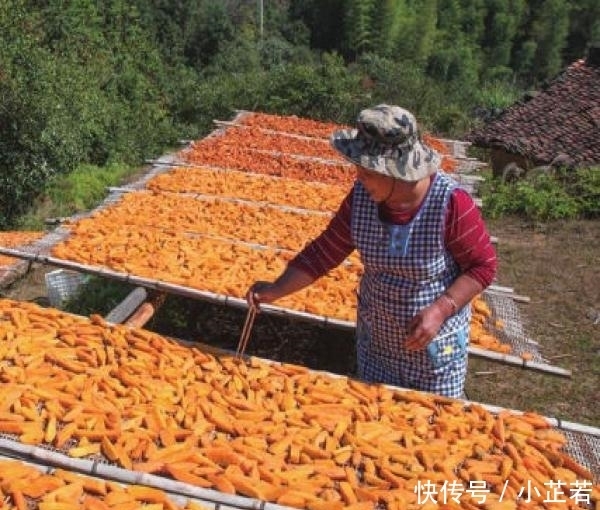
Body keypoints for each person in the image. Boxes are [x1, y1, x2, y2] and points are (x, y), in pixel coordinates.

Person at [246, 104, 497, 398]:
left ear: (395, 172)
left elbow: (483, 266)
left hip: (434, 352)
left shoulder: (451, 203)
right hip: (378, 346)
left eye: (366, 171)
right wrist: (275, 290)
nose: (358, 177)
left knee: (430, 426)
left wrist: (441, 309)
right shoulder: (362, 197)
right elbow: (325, 251)